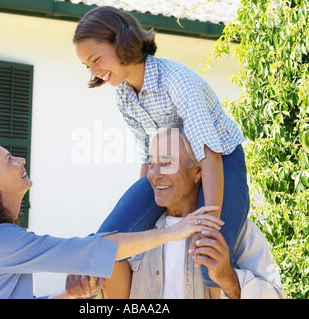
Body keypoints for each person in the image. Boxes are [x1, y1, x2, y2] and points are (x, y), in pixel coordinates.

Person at [71, 6, 250, 297]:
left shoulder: (176, 81)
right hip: (170, 167)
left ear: (120, 42)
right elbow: (147, 156)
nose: (94, 71)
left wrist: (209, 222)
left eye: (95, 59)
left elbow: (210, 155)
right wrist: (146, 199)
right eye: (86, 66)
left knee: (209, 255)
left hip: (220, 161)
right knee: (103, 244)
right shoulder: (124, 96)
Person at [0, 140, 219, 299]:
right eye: (9, 160)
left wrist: (70, 295)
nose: (21, 161)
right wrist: (175, 231)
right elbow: (91, 250)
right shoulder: (0, 241)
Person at [66, 125, 285, 299]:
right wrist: (81, 288)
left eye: (167, 163)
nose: (155, 174)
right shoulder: (132, 233)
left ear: (198, 171)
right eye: (151, 163)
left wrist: (228, 277)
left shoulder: (238, 230)